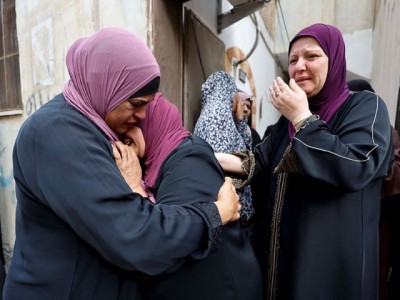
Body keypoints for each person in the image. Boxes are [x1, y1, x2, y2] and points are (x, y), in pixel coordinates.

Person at [3, 28, 241, 300]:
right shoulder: (57, 133)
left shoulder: (93, 127)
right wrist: (216, 212)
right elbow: (138, 237)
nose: (142, 116)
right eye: (136, 104)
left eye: (148, 105)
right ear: (107, 88)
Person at [216, 23, 393, 300]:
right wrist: (202, 156)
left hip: (330, 267)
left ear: (334, 61)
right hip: (282, 258)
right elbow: (257, 162)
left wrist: (302, 119)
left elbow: (356, 166)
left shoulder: (365, 107)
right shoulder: (287, 120)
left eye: (311, 57)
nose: (299, 67)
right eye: (293, 60)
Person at [116, 92, 263, 299]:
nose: (121, 133)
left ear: (153, 124)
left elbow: (162, 245)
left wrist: (134, 187)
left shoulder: (187, 162)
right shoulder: (168, 159)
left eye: (134, 123)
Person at [347, 79, 400, 300]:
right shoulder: (347, 126)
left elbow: (395, 175)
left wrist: (371, 169)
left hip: (375, 219)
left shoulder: (384, 130)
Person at [193, 71, 255, 241]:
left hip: (227, 214)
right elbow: (219, 172)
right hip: (228, 217)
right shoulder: (217, 119)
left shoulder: (216, 117)